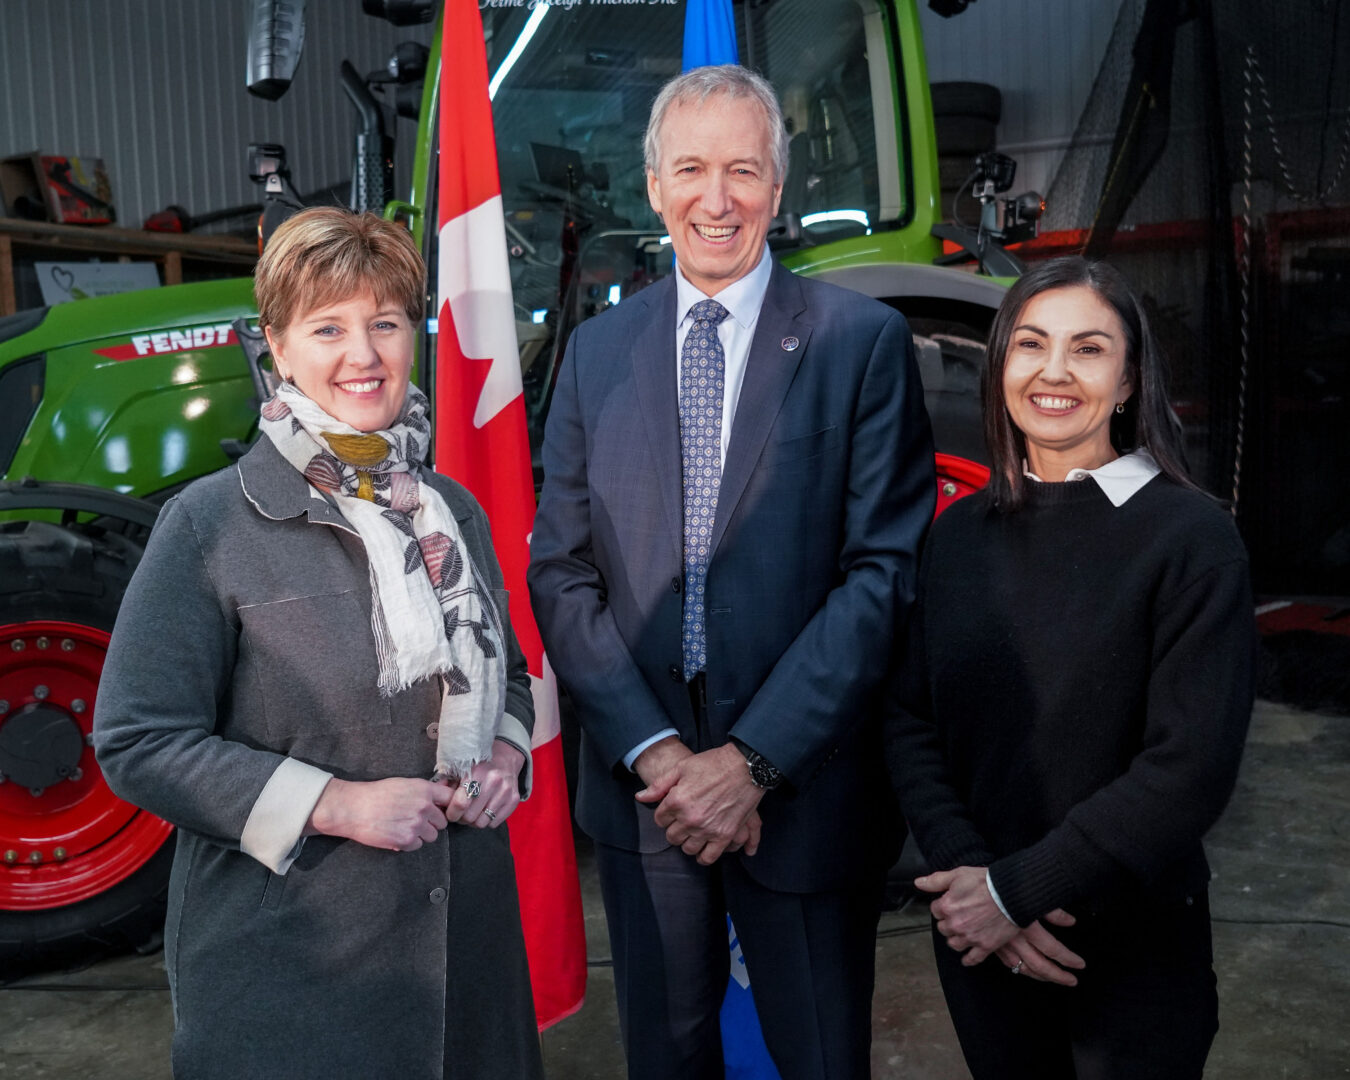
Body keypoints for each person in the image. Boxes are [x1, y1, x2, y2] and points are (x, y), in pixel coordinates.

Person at [528, 65, 935, 1080]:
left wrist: (750, 764)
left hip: (805, 794)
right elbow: (562, 572)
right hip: (645, 798)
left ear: (779, 187)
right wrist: (663, 758)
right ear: (655, 186)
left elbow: (882, 577)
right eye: (694, 171)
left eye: (744, 170)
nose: (719, 200)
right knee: (666, 1059)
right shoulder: (594, 354)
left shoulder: (861, 345)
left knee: (822, 1057)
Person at [94, 208, 544, 1080]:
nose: (363, 355)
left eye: (385, 323)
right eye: (328, 328)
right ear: (277, 346)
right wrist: (336, 803)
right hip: (295, 973)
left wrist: (502, 751)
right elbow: (137, 740)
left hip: (465, 956)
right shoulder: (209, 524)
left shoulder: (452, 509)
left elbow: (512, 675)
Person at [885, 256, 1256, 1079]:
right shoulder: (956, 537)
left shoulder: (1191, 538)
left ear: (1128, 381)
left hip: (1129, 957)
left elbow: (1188, 769)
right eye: (1030, 345)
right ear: (1001, 367)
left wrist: (1016, 891)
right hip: (980, 943)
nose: (1053, 372)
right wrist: (967, 879)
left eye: (1088, 349)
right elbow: (910, 718)